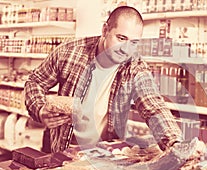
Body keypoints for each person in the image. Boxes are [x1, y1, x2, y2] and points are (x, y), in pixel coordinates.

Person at [24, 6, 185, 153]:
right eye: (121, 38)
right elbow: (35, 81)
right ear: (105, 30)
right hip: (65, 150)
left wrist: (175, 144)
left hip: (107, 154)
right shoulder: (69, 52)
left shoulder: (134, 66)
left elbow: (154, 106)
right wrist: (40, 110)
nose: (126, 50)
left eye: (133, 42)